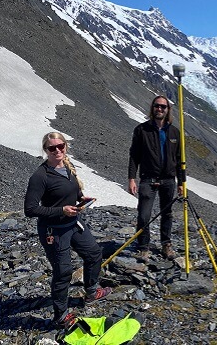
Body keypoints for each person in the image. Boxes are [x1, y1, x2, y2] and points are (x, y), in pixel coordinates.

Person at [24, 132, 112, 328]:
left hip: (73, 225)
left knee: (94, 254)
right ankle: (60, 316)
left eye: (60, 146)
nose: (57, 150)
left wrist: (81, 200)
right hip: (53, 231)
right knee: (63, 272)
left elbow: (71, 191)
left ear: (65, 146)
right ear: (45, 150)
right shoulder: (40, 176)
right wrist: (61, 210)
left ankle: (91, 292)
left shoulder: (67, 167)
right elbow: (30, 209)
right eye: (52, 148)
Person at [128, 95, 183, 261]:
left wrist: (181, 182)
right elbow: (134, 156)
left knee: (167, 213)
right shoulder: (141, 130)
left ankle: (166, 244)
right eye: (157, 106)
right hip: (148, 179)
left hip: (168, 180)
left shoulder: (174, 132)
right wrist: (131, 178)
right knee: (144, 215)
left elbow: (180, 159)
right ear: (152, 108)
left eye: (163, 107)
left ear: (168, 110)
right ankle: (143, 246)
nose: (160, 109)